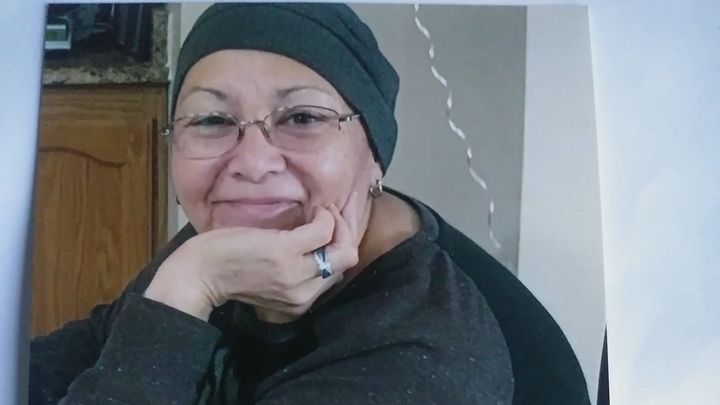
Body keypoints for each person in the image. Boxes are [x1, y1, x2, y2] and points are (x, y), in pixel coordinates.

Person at [29, 3, 590, 404]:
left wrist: (188, 288)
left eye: (302, 118)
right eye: (212, 120)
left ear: (374, 155)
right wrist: (187, 282)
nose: (252, 164)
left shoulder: (423, 357)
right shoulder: (245, 233)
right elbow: (98, 347)